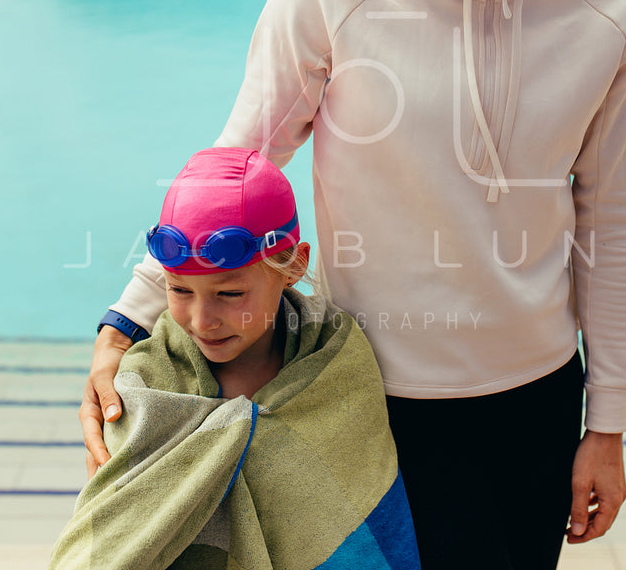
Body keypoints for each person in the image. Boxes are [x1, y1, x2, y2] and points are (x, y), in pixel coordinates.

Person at [83, 0, 626, 567]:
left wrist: (608, 424)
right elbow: (241, 160)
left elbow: (611, 217)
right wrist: (127, 322)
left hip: (535, 401)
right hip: (362, 401)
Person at [53, 147, 420, 569]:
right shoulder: (144, 385)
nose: (202, 320)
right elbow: (116, 538)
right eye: (179, 290)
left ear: (294, 266)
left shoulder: (336, 367)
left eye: (229, 294)